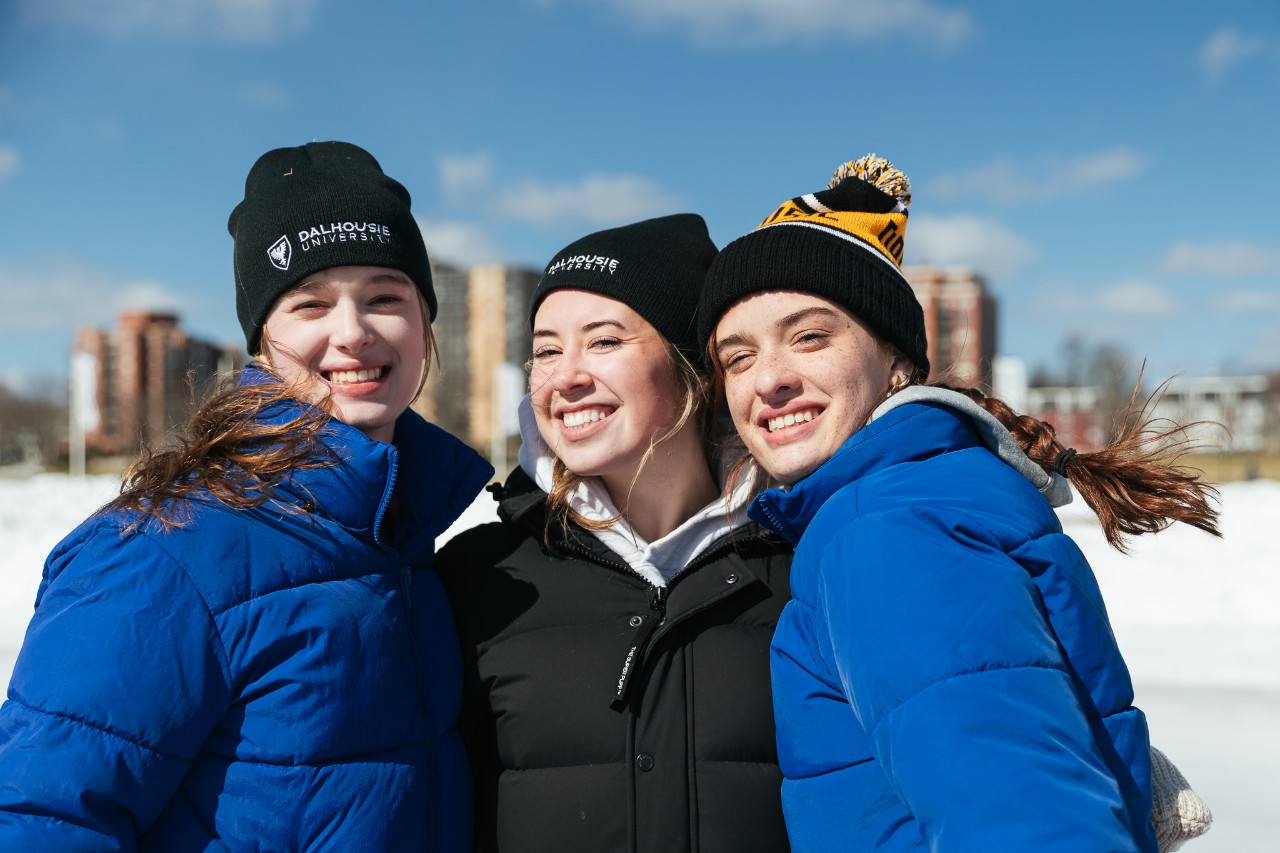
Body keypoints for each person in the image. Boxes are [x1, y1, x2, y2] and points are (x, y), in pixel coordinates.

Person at [696, 155, 1221, 852]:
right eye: (737, 358)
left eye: (810, 336)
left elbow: (1026, 826)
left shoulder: (881, 528)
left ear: (898, 362)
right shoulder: (934, 490)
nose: (769, 379)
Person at [0, 141, 494, 851]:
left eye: (386, 296)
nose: (352, 333)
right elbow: (40, 818)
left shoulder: (404, 542)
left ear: (424, 321)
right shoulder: (165, 550)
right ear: (262, 339)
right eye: (310, 304)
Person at [438, 214, 793, 853]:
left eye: (604, 341)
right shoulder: (478, 577)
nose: (566, 376)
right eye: (546, 350)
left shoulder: (803, 560)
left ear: (694, 365)